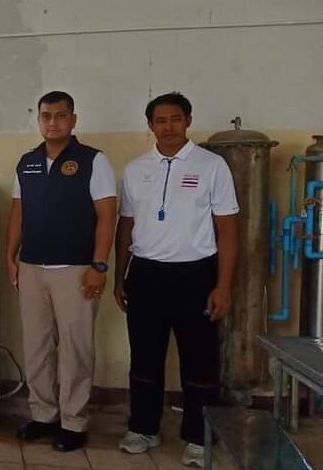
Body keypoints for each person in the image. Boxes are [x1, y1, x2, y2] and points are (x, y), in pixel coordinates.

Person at [114, 92, 238, 468]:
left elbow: (228, 231)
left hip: (195, 276)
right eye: (160, 120)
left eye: (175, 119)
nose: (168, 127)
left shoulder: (212, 166)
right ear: (150, 125)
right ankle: (143, 428)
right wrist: (119, 276)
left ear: (188, 121)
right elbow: (126, 226)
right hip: (146, 275)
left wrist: (223, 286)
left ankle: (198, 438)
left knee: (200, 361)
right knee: (145, 356)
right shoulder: (136, 169)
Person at [6, 91, 117, 452]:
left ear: (73, 119)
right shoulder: (27, 162)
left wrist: (99, 265)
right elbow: (19, 212)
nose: (52, 122)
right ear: (39, 120)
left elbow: (107, 216)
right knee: (37, 345)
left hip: (76, 268)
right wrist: (10, 255)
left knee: (75, 347)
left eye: (60, 115)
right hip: (32, 267)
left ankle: (73, 421)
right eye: (46, 116)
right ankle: (43, 415)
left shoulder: (93, 160)